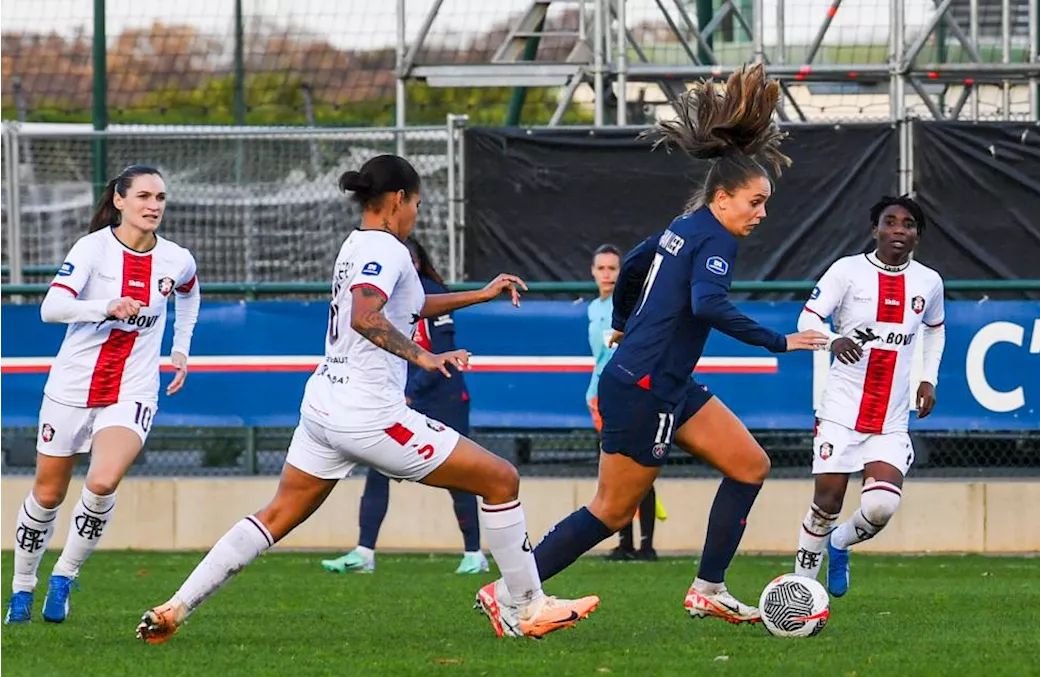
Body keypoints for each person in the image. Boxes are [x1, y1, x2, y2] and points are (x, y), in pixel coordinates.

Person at [136, 154, 597, 644]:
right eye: (416, 203)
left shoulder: (358, 244)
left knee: (273, 516)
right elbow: (365, 314)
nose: (416, 213)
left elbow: (410, 305)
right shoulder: (389, 248)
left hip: (322, 408)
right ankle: (524, 606)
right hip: (369, 415)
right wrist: (423, 357)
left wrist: (482, 295)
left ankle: (175, 606)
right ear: (398, 199)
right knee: (501, 479)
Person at [474, 63, 830, 637]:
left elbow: (637, 262)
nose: (763, 213)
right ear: (722, 197)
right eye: (756, 201)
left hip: (662, 380)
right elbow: (709, 305)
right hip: (644, 385)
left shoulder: (687, 224)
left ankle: (708, 590)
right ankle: (508, 593)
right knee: (611, 511)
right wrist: (780, 340)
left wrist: (622, 320)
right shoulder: (714, 236)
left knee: (749, 465)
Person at [6, 165, 201, 625]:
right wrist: (104, 307)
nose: (154, 206)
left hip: (133, 389)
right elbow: (51, 308)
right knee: (48, 494)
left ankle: (65, 576)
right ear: (119, 200)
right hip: (72, 386)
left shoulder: (176, 258)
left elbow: (190, 293)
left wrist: (181, 347)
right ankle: (22, 587)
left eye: (161, 198)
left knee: (102, 481)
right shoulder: (92, 250)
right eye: (144, 197)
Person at [791, 195, 946, 599]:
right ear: (874, 230)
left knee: (880, 508)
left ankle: (840, 543)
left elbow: (934, 329)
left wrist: (927, 379)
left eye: (908, 224)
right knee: (826, 502)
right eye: (890, 222)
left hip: (891, 419)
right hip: (841, 412)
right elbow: (808, 318)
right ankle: (802, 593)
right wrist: (832, 339)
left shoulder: (929, 282)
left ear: (917, 234)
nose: (899, 230)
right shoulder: (847, 271)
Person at [320, 235, 489, 576]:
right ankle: (364, 553)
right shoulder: (375, 299)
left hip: (443, 398)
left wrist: (412, 391)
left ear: (412, 263)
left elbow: (442, 351)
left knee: (461, 475)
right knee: (377, 472)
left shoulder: (429, 294)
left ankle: (474, 554)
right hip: (400, 398)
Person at [587, 243, 659, 562]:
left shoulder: (631, 306)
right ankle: (624, 542)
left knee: (637, 468)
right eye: (601, 268)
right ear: (593, 272)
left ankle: (645, 545)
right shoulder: (592, 308)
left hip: (626, 392)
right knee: (614, 472)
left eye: (612, 268)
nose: (606, 274)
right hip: (598, 395)